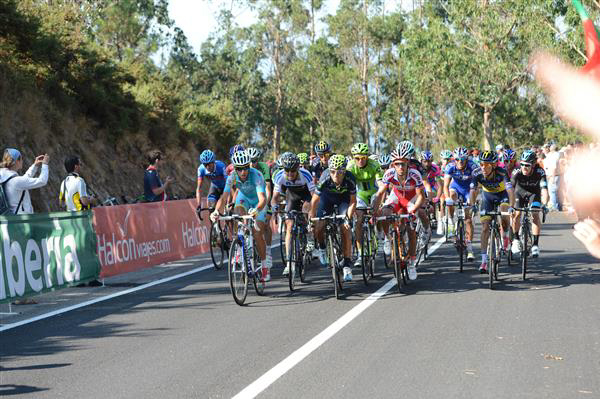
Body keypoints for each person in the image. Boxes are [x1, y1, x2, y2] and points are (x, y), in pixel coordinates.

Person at [211, 150, 270, 281]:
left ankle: (265, 266)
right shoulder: (232, 176)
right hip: (244, 198)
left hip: (258, 202)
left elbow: (262, 199)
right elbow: (224, 196)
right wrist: (216, 211)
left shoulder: (256, 175)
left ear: (248, 166)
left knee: (257, 233)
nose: (243, 172)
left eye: (245, 168)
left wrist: (257, 210)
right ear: (235, 168)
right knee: (237, 215)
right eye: (239, 169)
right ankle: (239, 245)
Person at [372, 145, 426, 280]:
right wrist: (374, 211)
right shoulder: (389, 173)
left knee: (410, 228)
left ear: (408, 162)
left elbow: (421, 196)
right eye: (397, 164)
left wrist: (414, 209)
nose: (400, 167)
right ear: (393, 165)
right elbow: (380, 194)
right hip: (397, 197)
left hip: (411, 198)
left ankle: (412, 262)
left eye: (403, 163)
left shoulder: (415, 174)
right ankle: (388, 239)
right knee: (384, 214)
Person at [309, 154, 357, 282]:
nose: (336, 175)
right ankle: (323, 248)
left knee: (345, 228)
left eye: (340, 172)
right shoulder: (325, 178)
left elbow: (353, 201)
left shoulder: (350, 178)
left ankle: (347, 265)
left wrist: (348, 217)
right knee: (319, 227)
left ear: (344, 171)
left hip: (344, 201)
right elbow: (314, 201)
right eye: (333, 171)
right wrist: (311, 219)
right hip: (327, 200)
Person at [470, 150, 514, 273]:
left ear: (494, 165)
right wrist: (472, 205)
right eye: (481, 164)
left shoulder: (502, 172)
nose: (483, 167)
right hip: (487, 197)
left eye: (487, 164)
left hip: (502, 195)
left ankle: (505, 235)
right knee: (485, 228)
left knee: (504, 211)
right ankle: (484, 261)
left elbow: (510, 190)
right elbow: (472, 191)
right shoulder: (477, 173)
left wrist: (511, 206)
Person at [271, 152, 315, 275]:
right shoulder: (280, 176)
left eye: (293, 171)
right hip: (292, 195)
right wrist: (274, 207)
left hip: (306, 195)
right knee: (289, 226)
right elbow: (274, 197)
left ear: (298, 169)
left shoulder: (306, 175)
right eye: (287, 171)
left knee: (306, 209)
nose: (289, 174)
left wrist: (311, 215)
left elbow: (314, 198)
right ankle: (289, 263)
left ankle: (309, 234)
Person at [346, 143, 383, 266]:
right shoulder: (350, 167)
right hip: (360, 194)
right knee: (359, 221)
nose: (360, 161)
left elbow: (381, 185)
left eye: (363, 158)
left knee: (377, 212)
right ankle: (361, 253)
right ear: (353, 158)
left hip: (374, 192)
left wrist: (379, 201)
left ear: (367, 157)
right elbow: (347, 187)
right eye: (357, 158)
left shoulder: (374, 165)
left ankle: (379, 234)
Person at [510, 150, 549, 257]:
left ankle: (535, 245)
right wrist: (510, 205)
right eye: (522, 164)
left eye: (527, 165)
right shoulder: (516, 171)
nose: (524, 167)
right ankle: (516, 239)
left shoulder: (540, 172)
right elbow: (510, 189)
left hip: (534, 194)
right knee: (517, 214)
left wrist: (545, 204)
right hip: (519, 193)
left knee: (535, 214)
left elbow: (545, 190)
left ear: (533, 164)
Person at [443, 147, 478, 261]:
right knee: (451, 198)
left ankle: (470, 248)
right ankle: (451, 223)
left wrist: (472, 202)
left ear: (467, 159)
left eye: (462, 159)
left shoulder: (473, 166)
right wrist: (447, 198)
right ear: (454, 159)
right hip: (456, 188)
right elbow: (445, 186)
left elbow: (475, 187)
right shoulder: (450, 167)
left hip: (469, 189)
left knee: (468, 219)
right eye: (457, 159)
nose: (460, 162)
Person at [247, 147, 275, 269]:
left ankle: (267, 252)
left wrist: (267, 204)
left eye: (255, 160)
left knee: (266, 223)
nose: (252, 163)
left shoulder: (263, 167)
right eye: (250, 161)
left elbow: (268, 188)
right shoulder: (244, 169)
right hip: (251, 196)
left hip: (263, 195)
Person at [0, 148, 49, 215]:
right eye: (21, 159)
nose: (22, 161)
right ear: (17, 161)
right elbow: (42, 181)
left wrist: (35, 166)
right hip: (22, 220)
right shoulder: (17, 181)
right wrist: (45, 165)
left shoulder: (3, 177)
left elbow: (24, 180)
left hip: (11, 218)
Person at [543, 144, 562, 211]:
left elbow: (554, 167)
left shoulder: (554, 155)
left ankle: (554, 207)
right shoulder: (557, 154)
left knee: (552, 191)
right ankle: (559, 207)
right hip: (556, 175)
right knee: (557, 192)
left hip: (554, 175)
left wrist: (552, 178)